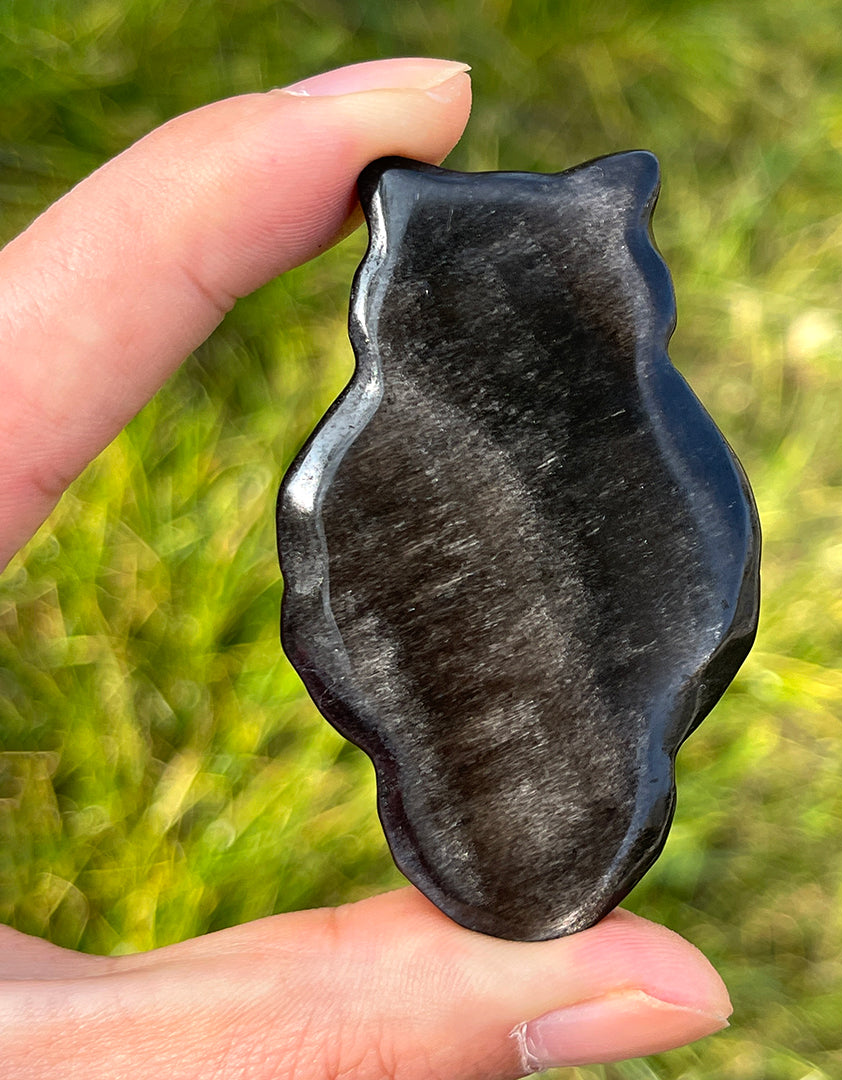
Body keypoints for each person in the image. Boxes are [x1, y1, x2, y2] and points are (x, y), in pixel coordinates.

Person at [0, 57, 732, 1078]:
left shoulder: (629, 443)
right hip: (478, 767)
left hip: (589, 757)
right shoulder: (395, 446)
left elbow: (690, 601)